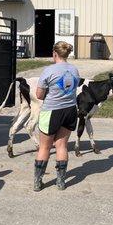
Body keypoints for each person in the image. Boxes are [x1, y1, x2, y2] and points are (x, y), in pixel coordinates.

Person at [34, 41, 80, 192]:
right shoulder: (74, 70)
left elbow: (39, 95)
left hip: (52, 111)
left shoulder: (49, 70)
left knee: (44, 147)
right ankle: (60, 182)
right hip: (70, 110)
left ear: (55, 54)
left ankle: (38, 182)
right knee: (62, 145)